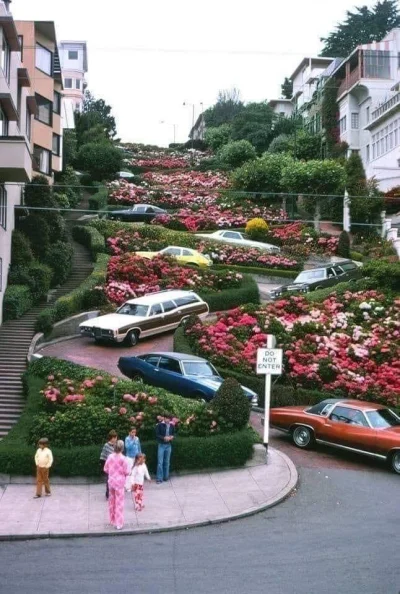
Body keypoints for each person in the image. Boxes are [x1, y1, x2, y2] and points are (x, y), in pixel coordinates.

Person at [104, 439, 130, 530]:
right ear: (122, 448)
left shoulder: (110, 457)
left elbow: (105, 469)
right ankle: (119, 523)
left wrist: (112, 473)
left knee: (112, 502)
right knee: (119, 503)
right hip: (120, 483)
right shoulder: (124, 459)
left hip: (111, 482)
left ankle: (112, 520)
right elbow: (127, 472)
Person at [155, 414, 175, 484]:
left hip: (168, 445)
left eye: (169, 419)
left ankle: (166, 477)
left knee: (167, 462)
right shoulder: (159, 425)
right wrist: (164, 438)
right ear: (164, 418)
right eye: (167, 418)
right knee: (160, 462)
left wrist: (172, 437)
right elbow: (157, 435)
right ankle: (159, 478)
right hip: (161, 445)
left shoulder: (172, 426)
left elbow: (173, 434)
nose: (168, 420)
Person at [100, 430, 118, 499]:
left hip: (115, 466)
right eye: (114, 438)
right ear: (111, 438)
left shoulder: (116, 445)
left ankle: (114, 492)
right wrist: (104, 466)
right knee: (109, 480)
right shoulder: (106, 445)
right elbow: (103, 456)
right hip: (109, 466)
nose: (115, 439)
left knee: (115, 479)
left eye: (116, 438)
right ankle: (108, 493)